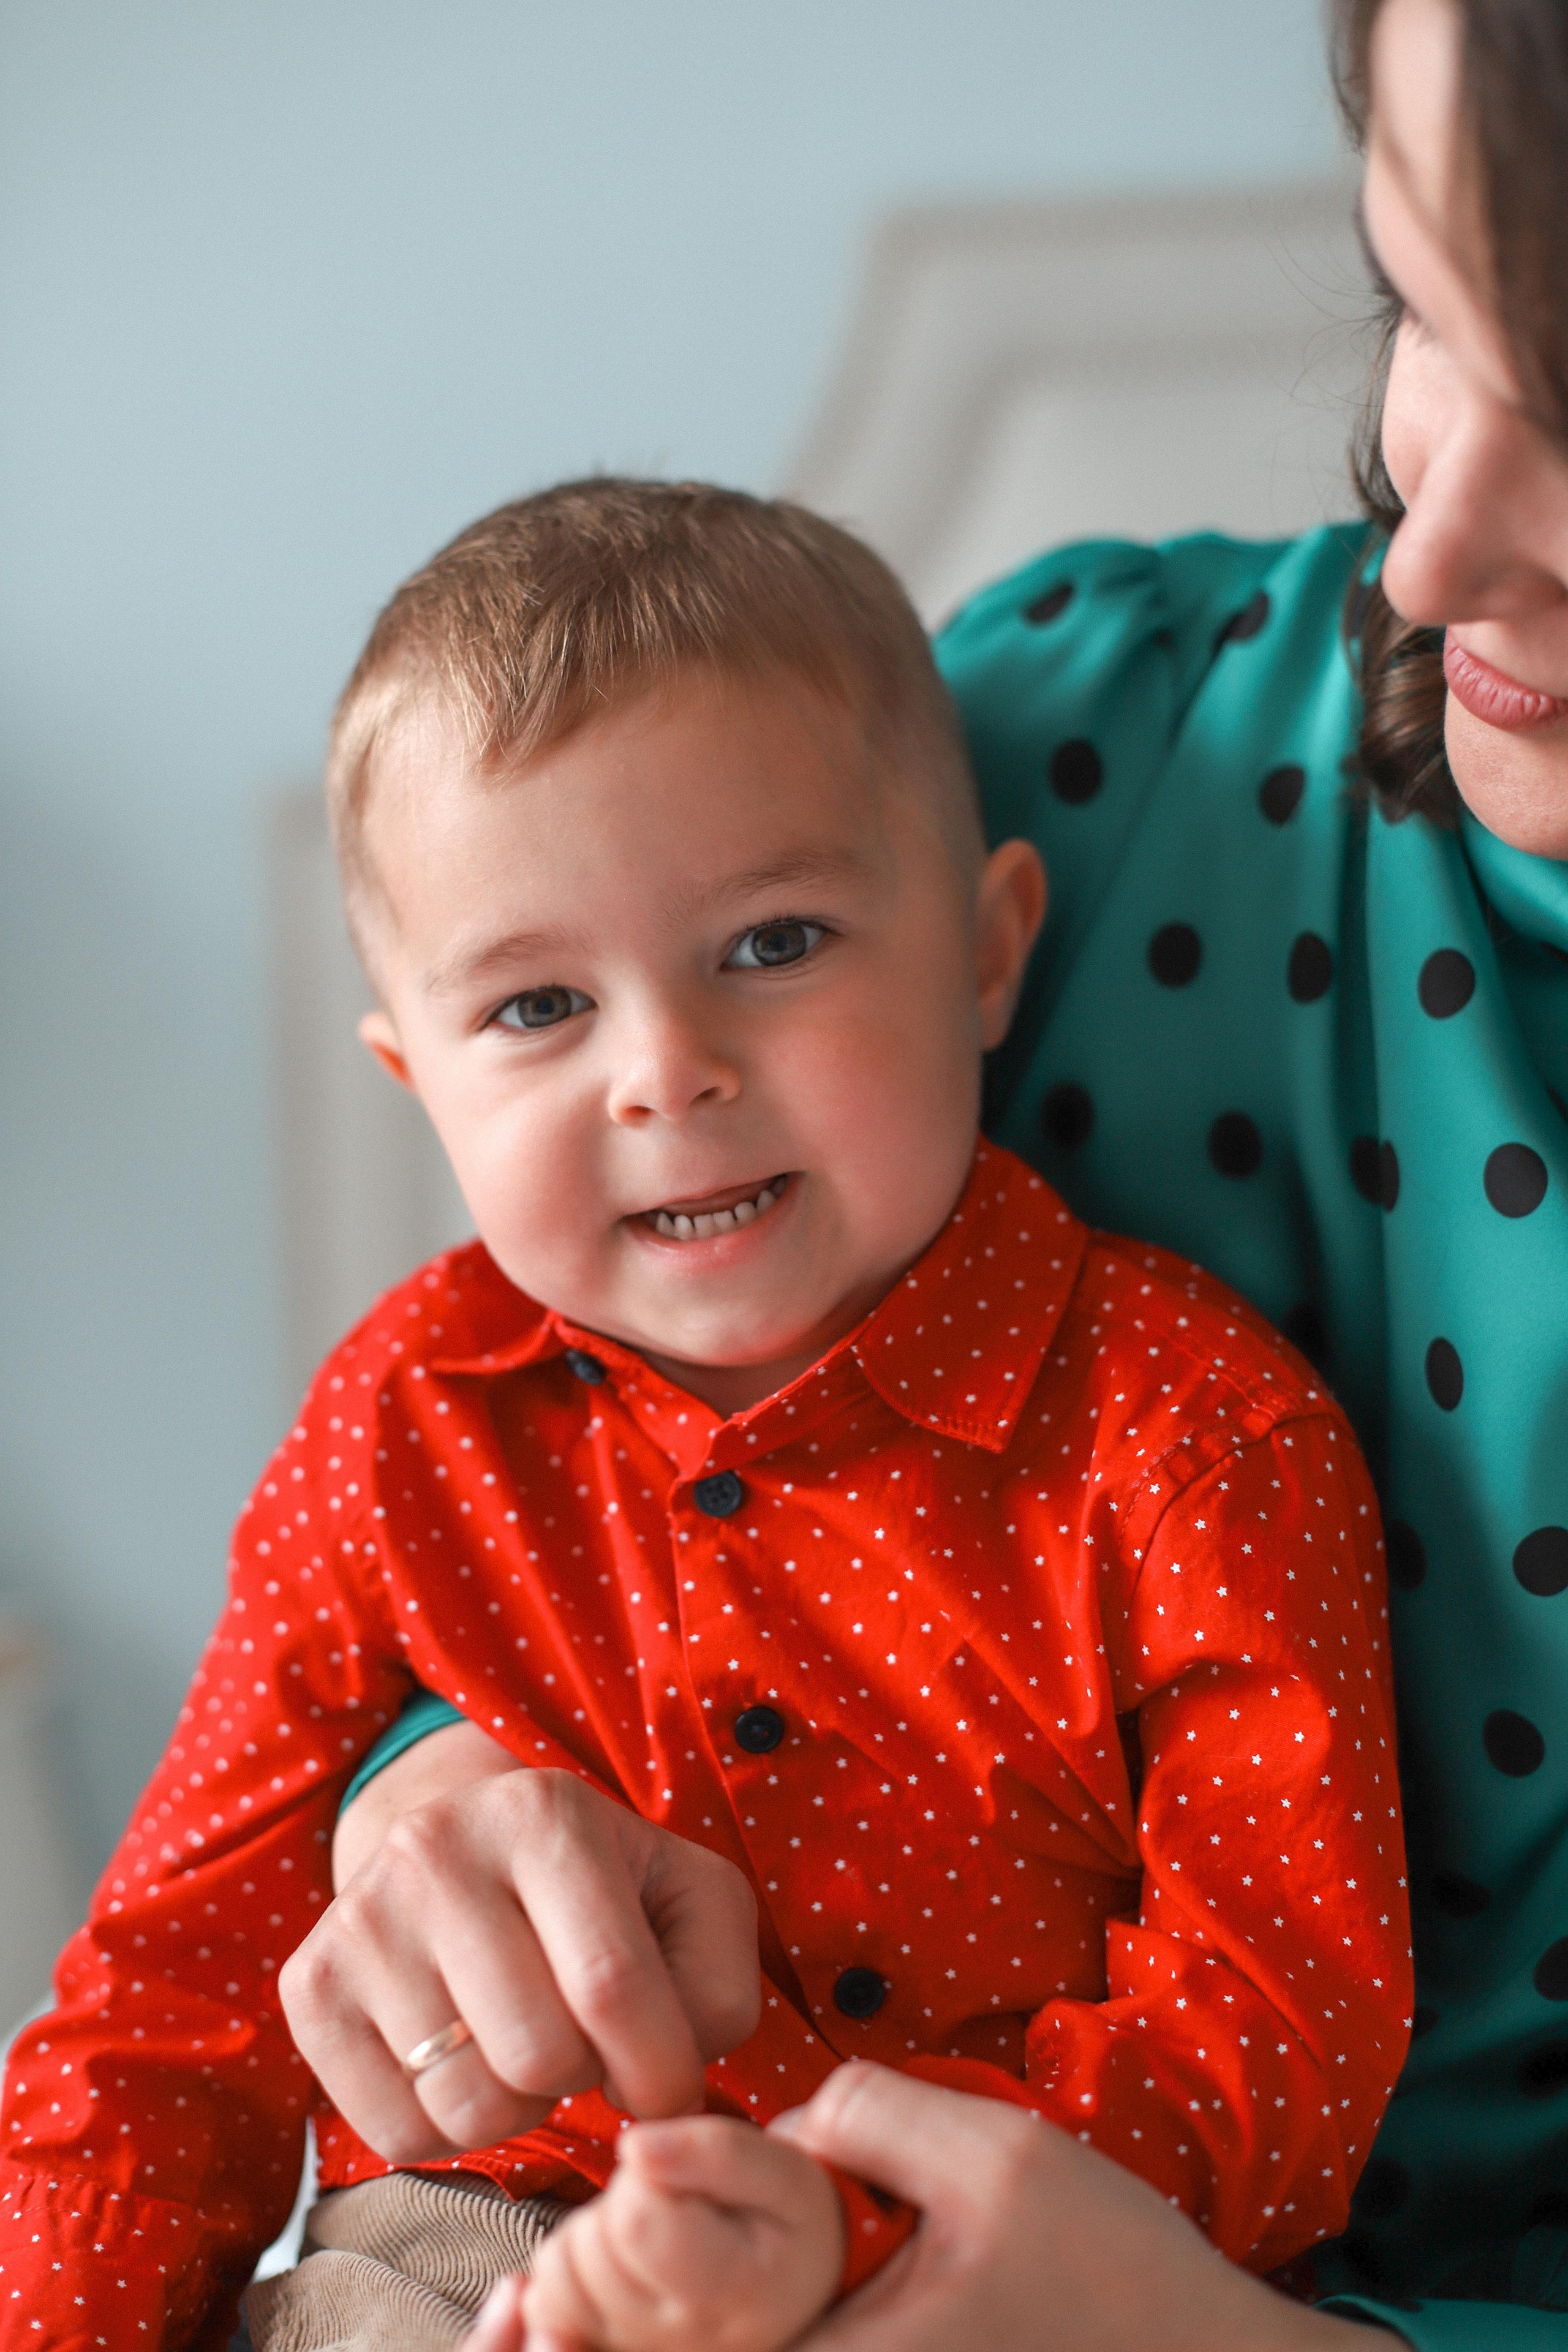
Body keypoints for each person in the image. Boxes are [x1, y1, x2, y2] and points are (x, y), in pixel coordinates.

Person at [309, 0, 1568, 2345]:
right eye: (1424, 306)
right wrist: (437, 1788)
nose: (1441, 538)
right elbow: (597, 1423)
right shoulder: (1074, 755)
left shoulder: (1194, 1426)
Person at [0, 472, 1408, 2352]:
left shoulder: (1193, 1436)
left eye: (775, 944)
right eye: (535, 1010)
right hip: (450, 2265)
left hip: (1004, 2277)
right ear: (418, 1081)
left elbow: (1274, 2051)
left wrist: (831, 2225)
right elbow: (162, 2013)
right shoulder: (401, 1424)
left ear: (989, 952)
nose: (668, 1073)